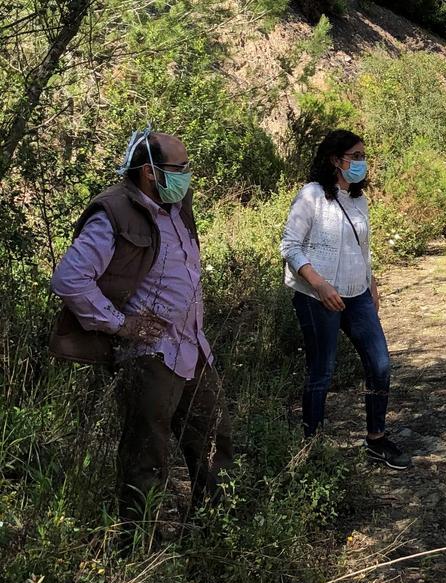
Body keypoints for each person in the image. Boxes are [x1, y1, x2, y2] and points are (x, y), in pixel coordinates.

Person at [50, 126, 236, 525]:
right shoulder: (113, 212)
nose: (187, 174)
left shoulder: (177, 204)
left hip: (193, 346)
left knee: (213, 442)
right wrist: (120, 324)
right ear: (150, 171)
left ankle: (214, 531)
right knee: (146, 455)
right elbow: (69, 279)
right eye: (180, 167)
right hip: (151, 355)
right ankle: (137, 546)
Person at [280, 129, 410, 470]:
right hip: (316, 297)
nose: (361, 163)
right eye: (355, 156)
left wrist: (372, 283)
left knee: (380, 363)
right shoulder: (310, 196)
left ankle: (376, 439)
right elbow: (290, 246)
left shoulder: (358, 199)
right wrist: (319, 285)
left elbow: (361, 248)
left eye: (363, 156)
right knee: (322, 370)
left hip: (357, 294)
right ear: (335, 160)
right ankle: (311, 447)